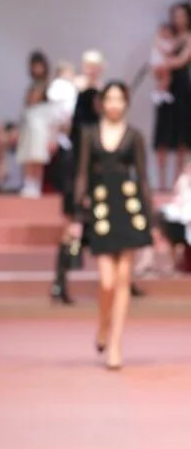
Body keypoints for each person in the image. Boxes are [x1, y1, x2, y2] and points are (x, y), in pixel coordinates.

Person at [70, 81, 152, 370]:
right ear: (102, 103)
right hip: (101, 208)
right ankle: (103, 325)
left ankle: (115, 344)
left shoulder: (135, 136)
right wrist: (76, 215)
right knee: (106, 281)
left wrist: (150, 220)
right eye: (110, 99)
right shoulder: (89, 134)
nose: (115, 104)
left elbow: (143, 178)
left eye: (120, 99)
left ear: (126, 103)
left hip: (128, 208)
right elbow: (81, 174)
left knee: (123, 279)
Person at [52, 50, 106, 305]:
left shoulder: (103, 94)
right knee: (71, 228)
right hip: (76, 171)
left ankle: (118, 281)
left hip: (96, 170)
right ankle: (59, 283)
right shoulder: (74, 89)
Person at [153, 3, 191, 191]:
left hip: (182, 88)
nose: (179, 19)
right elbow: (157, 60)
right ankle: (161, 182)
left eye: (182, 15)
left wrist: (165, 61)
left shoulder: (188, 37)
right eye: (176, 16)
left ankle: (178, 180)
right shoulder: (167, 36)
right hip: (165, 88)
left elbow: (181, 60)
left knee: (182, 135)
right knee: (163, 135)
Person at [15, 51, 52, 198]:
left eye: (39, 66)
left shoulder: (48, 86)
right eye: (34, 66)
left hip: (41, 125)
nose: (36, 69)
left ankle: (36, 183)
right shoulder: (31, 86)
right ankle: (28, 182)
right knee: (27, 154)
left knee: (37, 155)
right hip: (28, 123)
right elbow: (27, 105)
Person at [150, 23, 175, 105]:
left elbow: (170, 52)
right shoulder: (158, 40)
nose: (166, 34)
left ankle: (163, 92)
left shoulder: (169, 42)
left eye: (168, 32)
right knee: (161, 78)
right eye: (164, 31)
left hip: (164, 64)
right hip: (157, 64)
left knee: (167, 79)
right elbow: (165, 51)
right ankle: (157, 92)